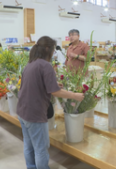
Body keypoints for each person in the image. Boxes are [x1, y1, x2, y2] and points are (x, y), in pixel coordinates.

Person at [17, 36, 84, 169]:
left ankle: (31, 166)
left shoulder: (30, 64)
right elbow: (56, 92)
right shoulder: (45, 65)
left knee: (28, 145)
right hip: (34, 114)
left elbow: (34, 84)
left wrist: (53, 84)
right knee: (41, 148)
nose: (54, 53)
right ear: (48, 49)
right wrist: (75, 95)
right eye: (53, 49)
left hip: (22, 111)